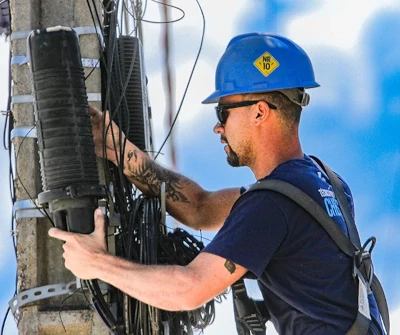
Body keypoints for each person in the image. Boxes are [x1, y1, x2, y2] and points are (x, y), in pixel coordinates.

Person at [49, 33, 386, 334]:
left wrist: (95, 263)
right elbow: (200, 207)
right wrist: (118, 149)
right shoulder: (324, 185)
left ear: (259, 112)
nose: (218, 128)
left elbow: (190, 289)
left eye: (223, 112)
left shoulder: (273, 205)